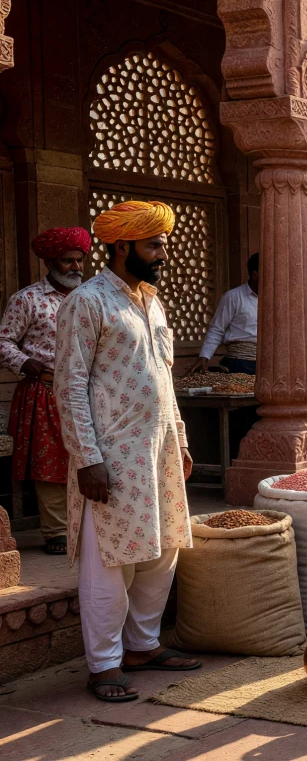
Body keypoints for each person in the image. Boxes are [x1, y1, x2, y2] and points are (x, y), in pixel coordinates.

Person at [54, 200, 200, 702]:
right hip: (111, 453)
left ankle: (141, 646)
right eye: (154, 244)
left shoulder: (152, 300)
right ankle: (104, 664)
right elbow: (70, 384)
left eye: (162, 242)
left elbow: (165, 378)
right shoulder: (88, 301)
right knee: (110, 561)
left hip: (158, 449)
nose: (163, 252)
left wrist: (179, 439)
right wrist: (86, 457)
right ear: (122, 246)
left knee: (161, 552)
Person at [1, 227, 90, 555]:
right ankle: (57, 532)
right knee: (50, 462)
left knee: (87, 457)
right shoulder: (27, 299)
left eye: (80, 261)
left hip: (88, 390)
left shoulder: (90, 297)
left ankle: (86, 526)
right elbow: (4, 341)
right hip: (44, 389)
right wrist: (26, 363)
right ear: (50, 261)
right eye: (67, 261)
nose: (76, 268)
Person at [189, 253, 259, 375]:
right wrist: (204, 357)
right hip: (239, 363)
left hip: (268, 365)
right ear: (255, 275)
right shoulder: (233, 297)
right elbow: (217, 329)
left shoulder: (275, 300)